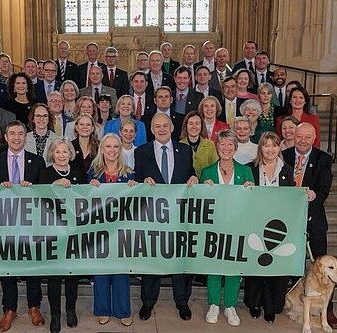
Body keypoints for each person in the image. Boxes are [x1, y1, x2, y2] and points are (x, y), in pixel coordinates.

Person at [134, 113, 198, 322]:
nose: (161, 129)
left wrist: (194, 178)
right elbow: (136, 179)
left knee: (180, 260)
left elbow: (191, 174)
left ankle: (182, 302)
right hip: (153, 216)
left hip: (179, 216)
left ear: (172, 127)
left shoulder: (185, 150)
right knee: (152, 259)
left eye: (165, 125)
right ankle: (148, 301)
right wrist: (143, 180)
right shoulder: (141, 152)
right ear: (151, 129)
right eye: (157, 126)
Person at [0, 120, 46, 332]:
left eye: (21, 133)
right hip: (5, 225)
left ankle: (33, 306)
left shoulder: (37, 161)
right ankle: (9, 308)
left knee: (32, 265)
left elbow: (45, 194)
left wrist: (34, 189)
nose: (17, 137)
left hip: (31, 225)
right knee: (7, 266)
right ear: (5, 136)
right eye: (12, 133)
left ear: (25, 136)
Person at [282, 122, 337, 329]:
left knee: (322, 266)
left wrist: (308, 211)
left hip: (314, 219)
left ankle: (328, 309)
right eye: (299, 136)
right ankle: (293, 301)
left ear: (314, 139)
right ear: (293, 136)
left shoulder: (323, 159)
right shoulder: (284, 155)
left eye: (307, 137)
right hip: (288, 220)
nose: (303, 140)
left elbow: (323, 190)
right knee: (288, 260)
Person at [200, 129, 254, 327]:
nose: (226, 148)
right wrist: (201, 188)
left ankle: (230, 305)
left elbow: (254, 202)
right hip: (213, 228)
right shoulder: (206, 172)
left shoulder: (246, 172)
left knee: (233, 267)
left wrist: (251, 189)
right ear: (217, 147)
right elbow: (199, 205)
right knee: (213, 267)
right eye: (222, 144)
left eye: (230, 144)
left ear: (235, 147)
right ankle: (214, 304)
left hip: (237, 227)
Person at [243, 131, 293, 323]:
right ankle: (254, 303)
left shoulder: (287, 171)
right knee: (255, 267)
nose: (270, 149)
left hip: (281, 227)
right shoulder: (251, 169)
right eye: (266, 145)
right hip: (255, 225)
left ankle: (271, 306)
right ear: (260, 148)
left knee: (276, 269)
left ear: (279, 147)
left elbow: (292, 198)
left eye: (274, 145)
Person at [87, 133, 135, 327]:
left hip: (122, 231)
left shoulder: (129, 173)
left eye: (116, 147)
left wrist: (135, 188)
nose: (112, 150)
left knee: (121, 272)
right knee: (101, 271)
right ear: (102, 149)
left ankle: (123, 310)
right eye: (108, 147)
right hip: (100, 231)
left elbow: (136, 203)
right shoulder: (93, 173)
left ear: (120, 150)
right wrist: (89, 188)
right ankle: (102, 309)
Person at [38, 138, 85, 333]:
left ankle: (71, 310)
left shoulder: (78, 172)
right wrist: (53, 185)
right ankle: (55, 315)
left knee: (72, 276)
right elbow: (37, 198)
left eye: (65, 151)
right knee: (55, 278)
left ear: (70, 154)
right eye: (58, 152)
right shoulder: (45, 173)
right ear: (52, 154)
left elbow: (87, 197)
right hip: (53, 233)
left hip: (74, 232)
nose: (62, 155)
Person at [179, 111, 218, 178]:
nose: (194, 127)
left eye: (197, 123)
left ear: (201, 126)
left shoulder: (210, 145)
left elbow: (215, 168)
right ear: (186, 126)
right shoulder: (179, 146)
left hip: (206, 184)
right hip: (187, 185)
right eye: (191, 124)